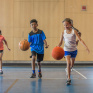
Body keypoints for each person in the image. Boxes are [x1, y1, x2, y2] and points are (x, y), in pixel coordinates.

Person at [58, 18, 90, 85]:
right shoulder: (63, 33)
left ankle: (69, 69)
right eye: (64, 25)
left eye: (66, 25)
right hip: (66, 50)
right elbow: (60, 43)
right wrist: (57, 47)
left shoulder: (74, 31)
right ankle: (68, 79)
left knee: (71, 65)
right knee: (68, 63)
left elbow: (80, 40)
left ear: (70, 24)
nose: (65, 26)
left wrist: (86, 47)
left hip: (74, 50)